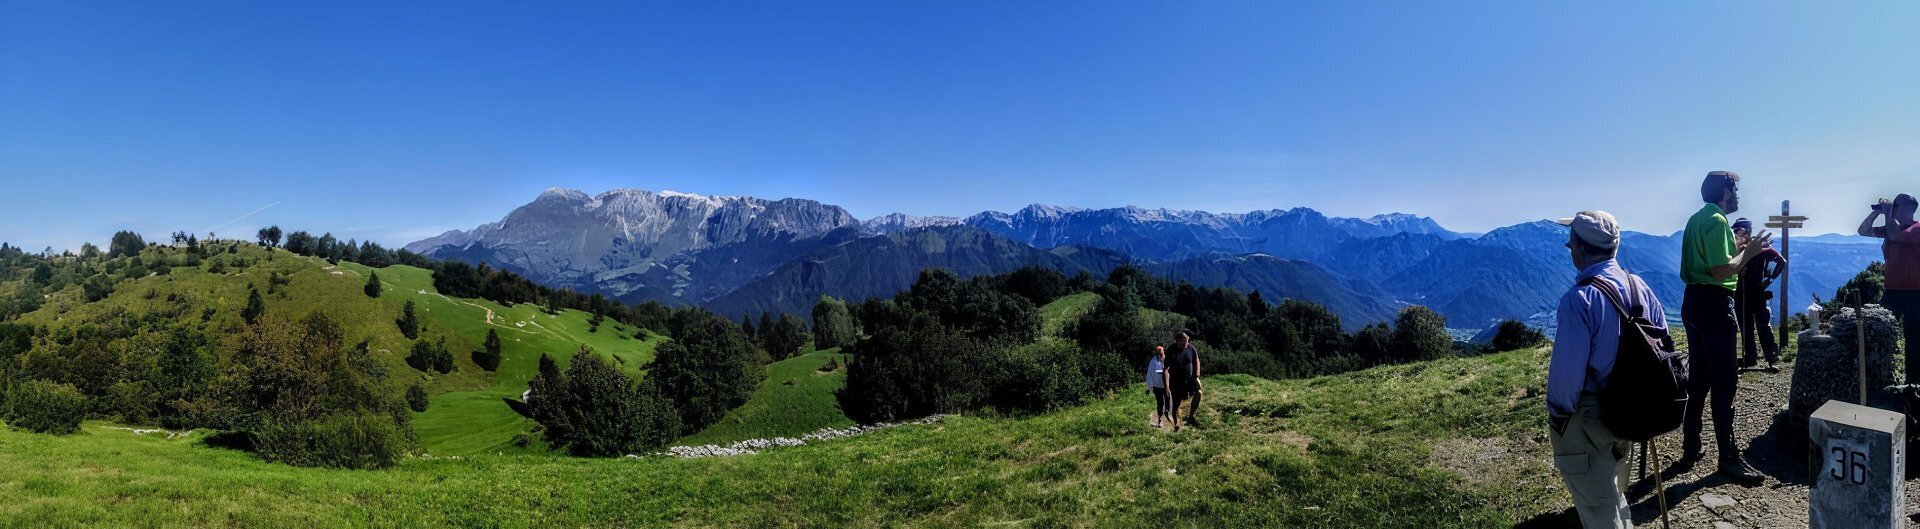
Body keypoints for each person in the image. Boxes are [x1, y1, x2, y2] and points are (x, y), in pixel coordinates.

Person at [1550, 210, 1663, 529]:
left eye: (1571, 243)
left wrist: (1559, 421)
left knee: (1600, 510)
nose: (1569, 248)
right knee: (1615, 495)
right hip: (1631, 411)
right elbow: (1662, 344)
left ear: (1582, 250)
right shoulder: (1640, 287)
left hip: (1589, 416)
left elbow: (1565, 380)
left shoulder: (1579, 300)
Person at [1676, 170, 1770, 485]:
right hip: (1715, 304)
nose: (1739, 197)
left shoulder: (1695, 219)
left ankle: (1691, 447)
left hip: (1692, 302)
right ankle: (1728, 458)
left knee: (1699, 379)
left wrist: (1738, 244)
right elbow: (1721, 270)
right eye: (1736, 192)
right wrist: (1751, 251)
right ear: (1726, 194)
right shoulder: (1717, 221)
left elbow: (1711, 259)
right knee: (1725, 380)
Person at [1858, 193, 1920, 476]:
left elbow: (1895, 233)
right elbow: (1863, 230)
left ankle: (1913, 391)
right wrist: (1876, 213)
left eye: (1896, 206)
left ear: (1909, 209)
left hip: (1916, 294)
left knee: (1915, 344)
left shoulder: (1916, 229)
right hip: (1894, 291)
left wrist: (1886, 213)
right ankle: (1879, 377)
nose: (1893, 210)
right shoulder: (1893, 224)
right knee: (1880, 333)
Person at [1731, 218, 1787, 371]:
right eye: (1736, 231)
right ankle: (1760, 359)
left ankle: (1762, 358)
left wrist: (1768, 279)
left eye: (1740, 230)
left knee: (1758, 326)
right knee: (1750, 326)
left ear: (1748, 231)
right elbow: (1781, 262)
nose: (1737, 233)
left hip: (1748, 292)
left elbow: (1781, 261)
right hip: (1750, 292)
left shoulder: (1759, 248)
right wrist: (1768, 279)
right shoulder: (1757, 248)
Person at [1167, 331, 1203, 432]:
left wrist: (1197, 375)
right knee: (1176, 403)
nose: (1185, 344)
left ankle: (1191, 417)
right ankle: (1175, 423)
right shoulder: (1171, 350)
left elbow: (1196, 360)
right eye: (1183, 343)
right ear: (1177, 341)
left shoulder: (1191, 348)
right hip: (1176, 381)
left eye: (1186, 342)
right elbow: (1166, 367)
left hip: (1191, 378)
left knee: (1198, 392)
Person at [1147, 345, 1171, 427]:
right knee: (1160, 402)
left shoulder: (1168, 359)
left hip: (1167, 385)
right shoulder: (1153, 362)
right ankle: (1160, 419)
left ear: (1164, 350)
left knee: (1168, 399)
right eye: (1158, 352)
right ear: (1157, 352)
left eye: (1161, 352)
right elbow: (1149, 374)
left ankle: (1167, 413)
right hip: (1157, 386)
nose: (1160, 354)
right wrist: (1150, 386)